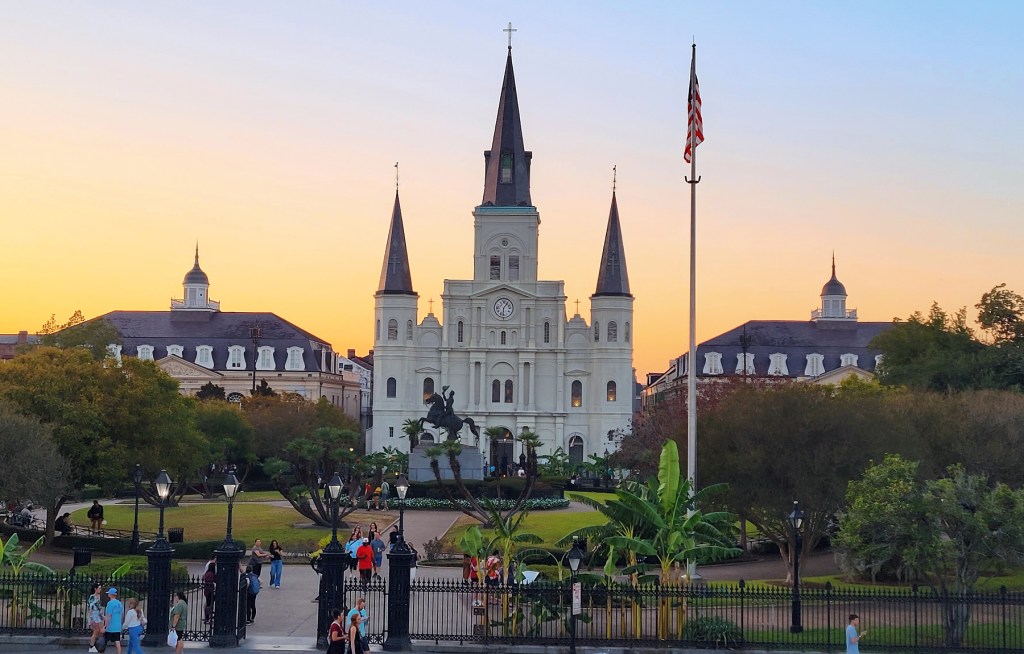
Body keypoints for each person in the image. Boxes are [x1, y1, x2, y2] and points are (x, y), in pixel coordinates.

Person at [103, 587, 123, 654]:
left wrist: (105, 626)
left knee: (104, 642)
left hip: (110, 627)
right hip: (117, 626)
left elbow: (109, 616)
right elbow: (122, 615)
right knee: (117, 642)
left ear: (110, 594)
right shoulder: (120, 603)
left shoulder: (110, 603)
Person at [87, 583, 104, 652]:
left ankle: (96, 645)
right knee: (96, 631)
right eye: (99, 588)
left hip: (99, 616)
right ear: (95, 589)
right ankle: (91, 646)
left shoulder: (99, 596)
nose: (100, 589)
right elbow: (90, 608)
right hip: (94, 616)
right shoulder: (92, 597)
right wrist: (90, 619)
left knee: (100, 631)